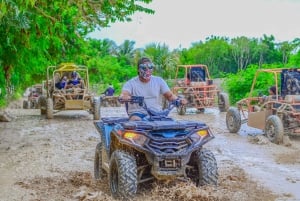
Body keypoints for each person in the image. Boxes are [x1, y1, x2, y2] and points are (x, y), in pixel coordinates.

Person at [120, 57, 187, 121]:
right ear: (138, 69)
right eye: (144, 68)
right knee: (135, 120)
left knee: (171, 123)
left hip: (157, 114)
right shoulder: (131, 83)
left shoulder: (159, 81)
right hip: (138, 114)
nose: (148, 70)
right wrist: (125, 97)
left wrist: (179, 100)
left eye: (150, 67)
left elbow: (170, 96)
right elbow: (124, 94)